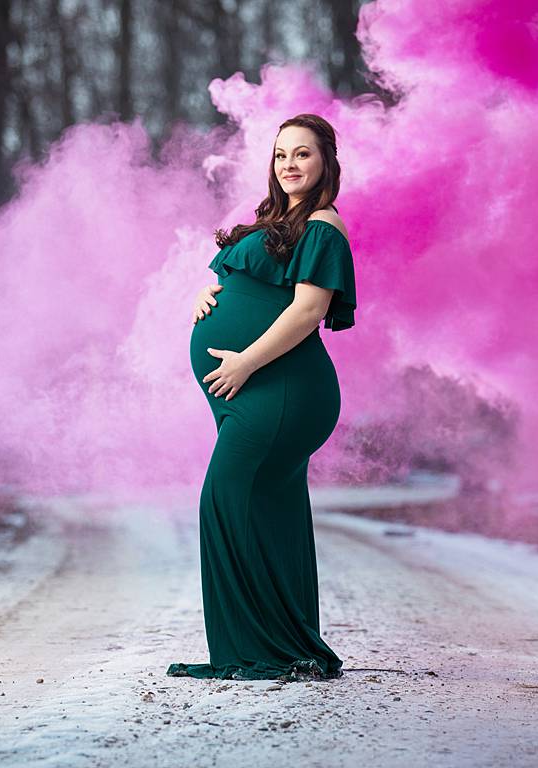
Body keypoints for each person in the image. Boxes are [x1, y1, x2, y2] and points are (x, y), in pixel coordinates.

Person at [166, 113, 357, 682]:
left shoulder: (323, 225)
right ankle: (284, 649)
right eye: (280, 156)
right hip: (255, 390)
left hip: (281, 388)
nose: (289, 165)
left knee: (224, 500)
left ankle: (258, 649)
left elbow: (308, 309)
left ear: (325, 162)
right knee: (271, 509)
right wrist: (211, 291)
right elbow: (246, 282)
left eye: (302, 154)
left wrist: (245, 360)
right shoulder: (275, 220)